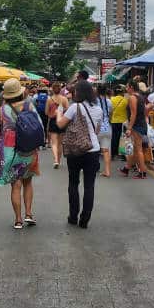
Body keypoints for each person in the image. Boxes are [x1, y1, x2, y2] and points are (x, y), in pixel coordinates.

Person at [0, 78, 42, 229]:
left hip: (10, 151)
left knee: (16, 185)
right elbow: (38, 124)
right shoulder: (29, 105)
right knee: (28, 182)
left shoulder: (1, 111)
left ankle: (18, 220)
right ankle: (28, 214)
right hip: (28, 149)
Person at [57, 80, 103, 228]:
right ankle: (85, 219)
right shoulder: (98, 109)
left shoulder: (74, 107)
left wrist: (59, 113)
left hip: (75, 150)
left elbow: (60, 124)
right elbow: (96, 131)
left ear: (79, 92)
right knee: (90, 186)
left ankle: (73, 216)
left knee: (73, 183)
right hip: (93, 150)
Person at [119, 80, 148, 179]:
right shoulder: (140, 97)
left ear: (131, 87)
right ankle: (127, 168)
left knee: (138, 149)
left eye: (127, 87)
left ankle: (142, 172)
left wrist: (129, 128)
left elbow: (133, 114)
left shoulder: (132, 97)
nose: (126, 89)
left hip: (136, 126)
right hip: (141, 124)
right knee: (134, 149)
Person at [45, 82, 69, 168]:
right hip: (62, 121)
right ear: (60, 89)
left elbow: (46, 112)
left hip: (52, 121)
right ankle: (58, 160)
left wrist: (53, 114)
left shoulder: (49, 100)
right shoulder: (64, 99)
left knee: (54, 143)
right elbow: (68, 110)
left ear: (52, 89)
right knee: (60, 143)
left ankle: (55, 160)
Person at [96, 85, 113, 177]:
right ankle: (107, 171)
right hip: (107, 128)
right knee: (106, 150)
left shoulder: (94, 102)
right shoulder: (109, 101)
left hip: (96, 129)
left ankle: (93, 167)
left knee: (94, 150)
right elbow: (110, 115)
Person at [109, 86, 128, 159]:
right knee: (123, 138)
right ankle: (123, 155)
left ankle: (113, 153)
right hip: (123, 122)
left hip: (114, 121)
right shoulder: (125, 100)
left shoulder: (111, 99)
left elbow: (110, 110)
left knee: (114, 137)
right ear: (122, 93)